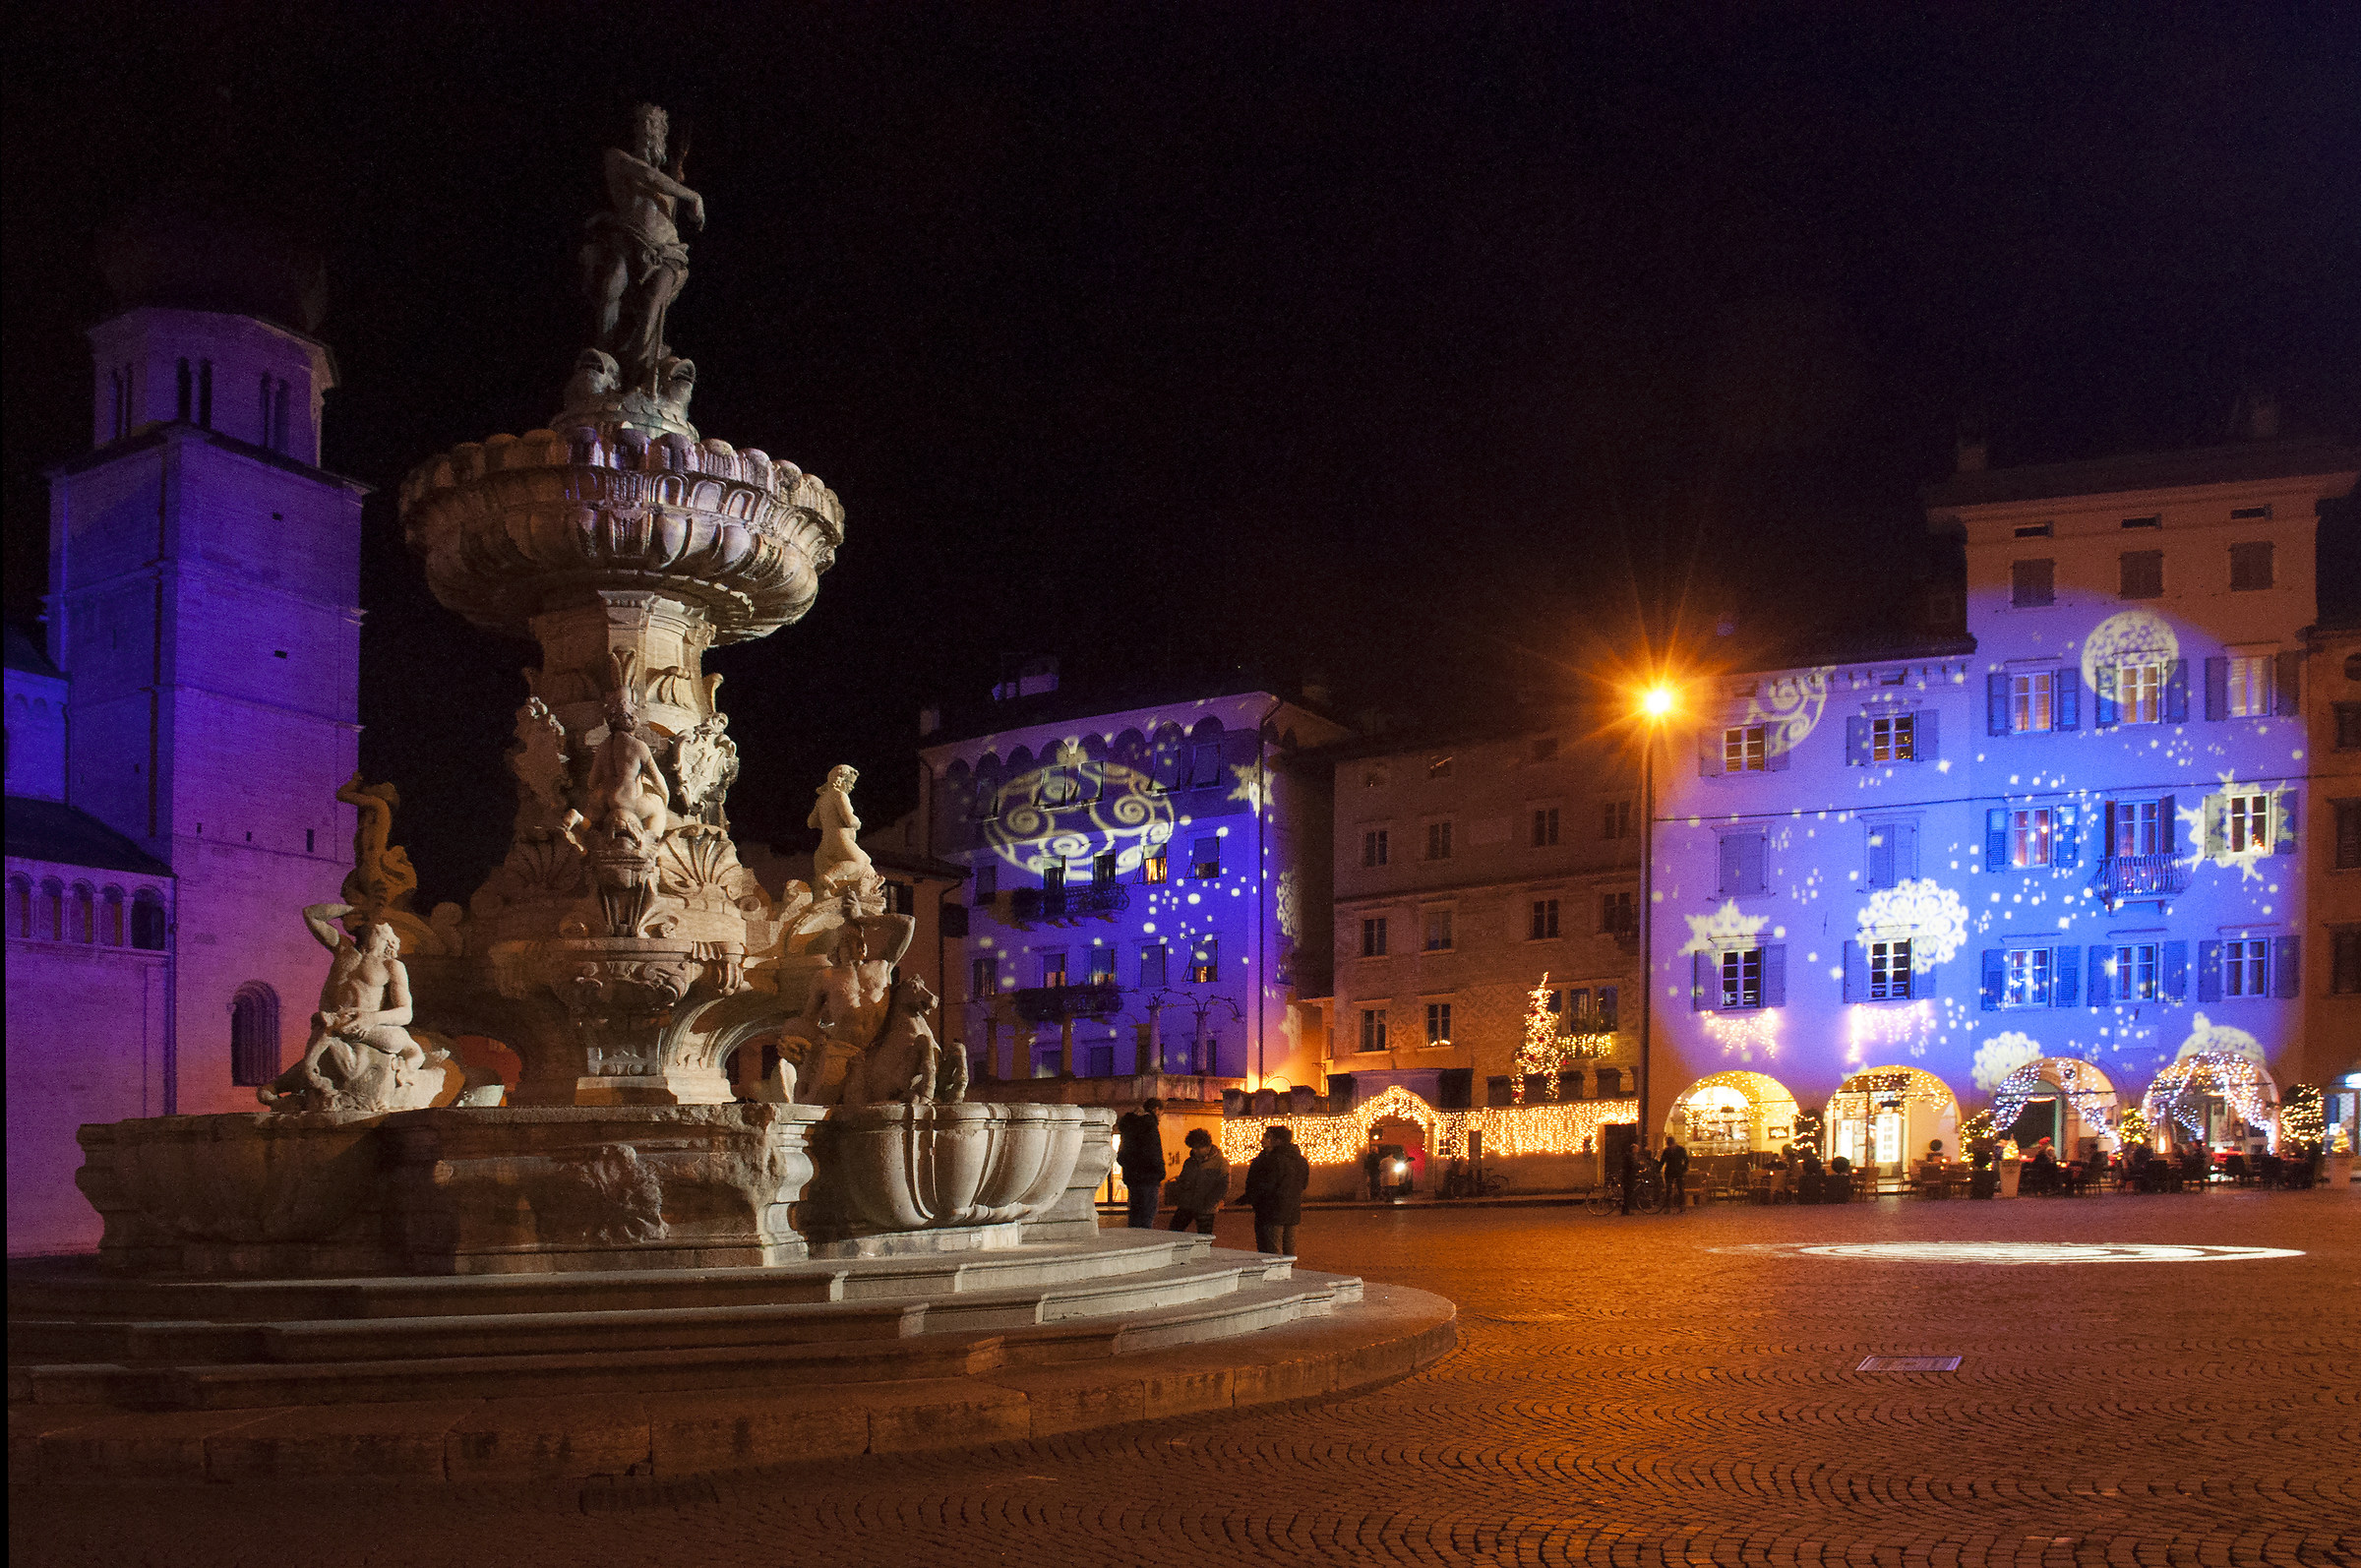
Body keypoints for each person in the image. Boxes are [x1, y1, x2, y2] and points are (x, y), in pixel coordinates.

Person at [1241, 1124, 1310, 1255]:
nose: (1262, 1140)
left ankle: (1276, 1275)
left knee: (1272, 1251)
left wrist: (1252, 1199)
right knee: (1289, 1250)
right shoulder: (1301, 1160)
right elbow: (1304, 1184)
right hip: (1292, 1211)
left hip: (1271, 1212)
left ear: (1278, 1140)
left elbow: (1266, 1186)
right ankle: (1292, 1275)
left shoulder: (1272, 1160)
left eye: (1267, 1137)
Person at [1165, 1128, 1229, 1235]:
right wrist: (1181, 1187)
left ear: (1208, 1146)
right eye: (1193, 1148)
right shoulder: (1189, 1162)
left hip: (1206, 1208)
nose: (1195, 1151)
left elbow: (1223, 1186)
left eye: (1199, 1148)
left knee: (1204, 1238)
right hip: (1186, 1204)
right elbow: (1183, 1179)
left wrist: (1211, 1202)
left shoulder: (1220, 1163)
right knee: (1173, 1232)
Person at [1114, 1099, 1166, 1229]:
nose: (1160, 1118)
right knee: (1146, 1217)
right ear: (1156, 1110)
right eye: (1161, 1114)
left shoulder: (1130, 1126)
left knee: (1135, 1216)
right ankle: (1145, 1245)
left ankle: (1134, 1244)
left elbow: (1122, 1154)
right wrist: (1160, 1172)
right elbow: (1154, 1153)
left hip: (1133, 1178)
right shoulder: (1149, 1125)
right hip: (1149, 1177)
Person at [1660, 1136, 1691, 1211]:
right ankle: (1681, 1206)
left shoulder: (1666, 1151)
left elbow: (1662, 1161)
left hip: (1670, 1170)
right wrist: (1684, 1168)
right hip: (1678, 1170)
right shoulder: (1680, 1149)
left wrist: (1658, 1169)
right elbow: (1686, 1159)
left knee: (1669, 1189)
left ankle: (1668, 1207)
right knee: (1679, 1188)